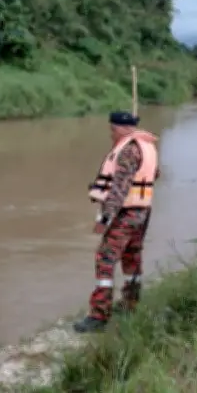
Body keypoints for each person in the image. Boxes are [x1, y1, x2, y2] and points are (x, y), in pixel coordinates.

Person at [74, 111, 160, 333]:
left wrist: (104, 218)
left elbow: (119, 189)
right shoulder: (147, 146)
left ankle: (99, 315)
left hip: (126, 213)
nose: (111, 134)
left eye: (113, 129)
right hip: (143, 211)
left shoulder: (128, 150)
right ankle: (130, 303)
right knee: (132, 256)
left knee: (105, 258)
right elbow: (154, 174)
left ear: (123, 128)